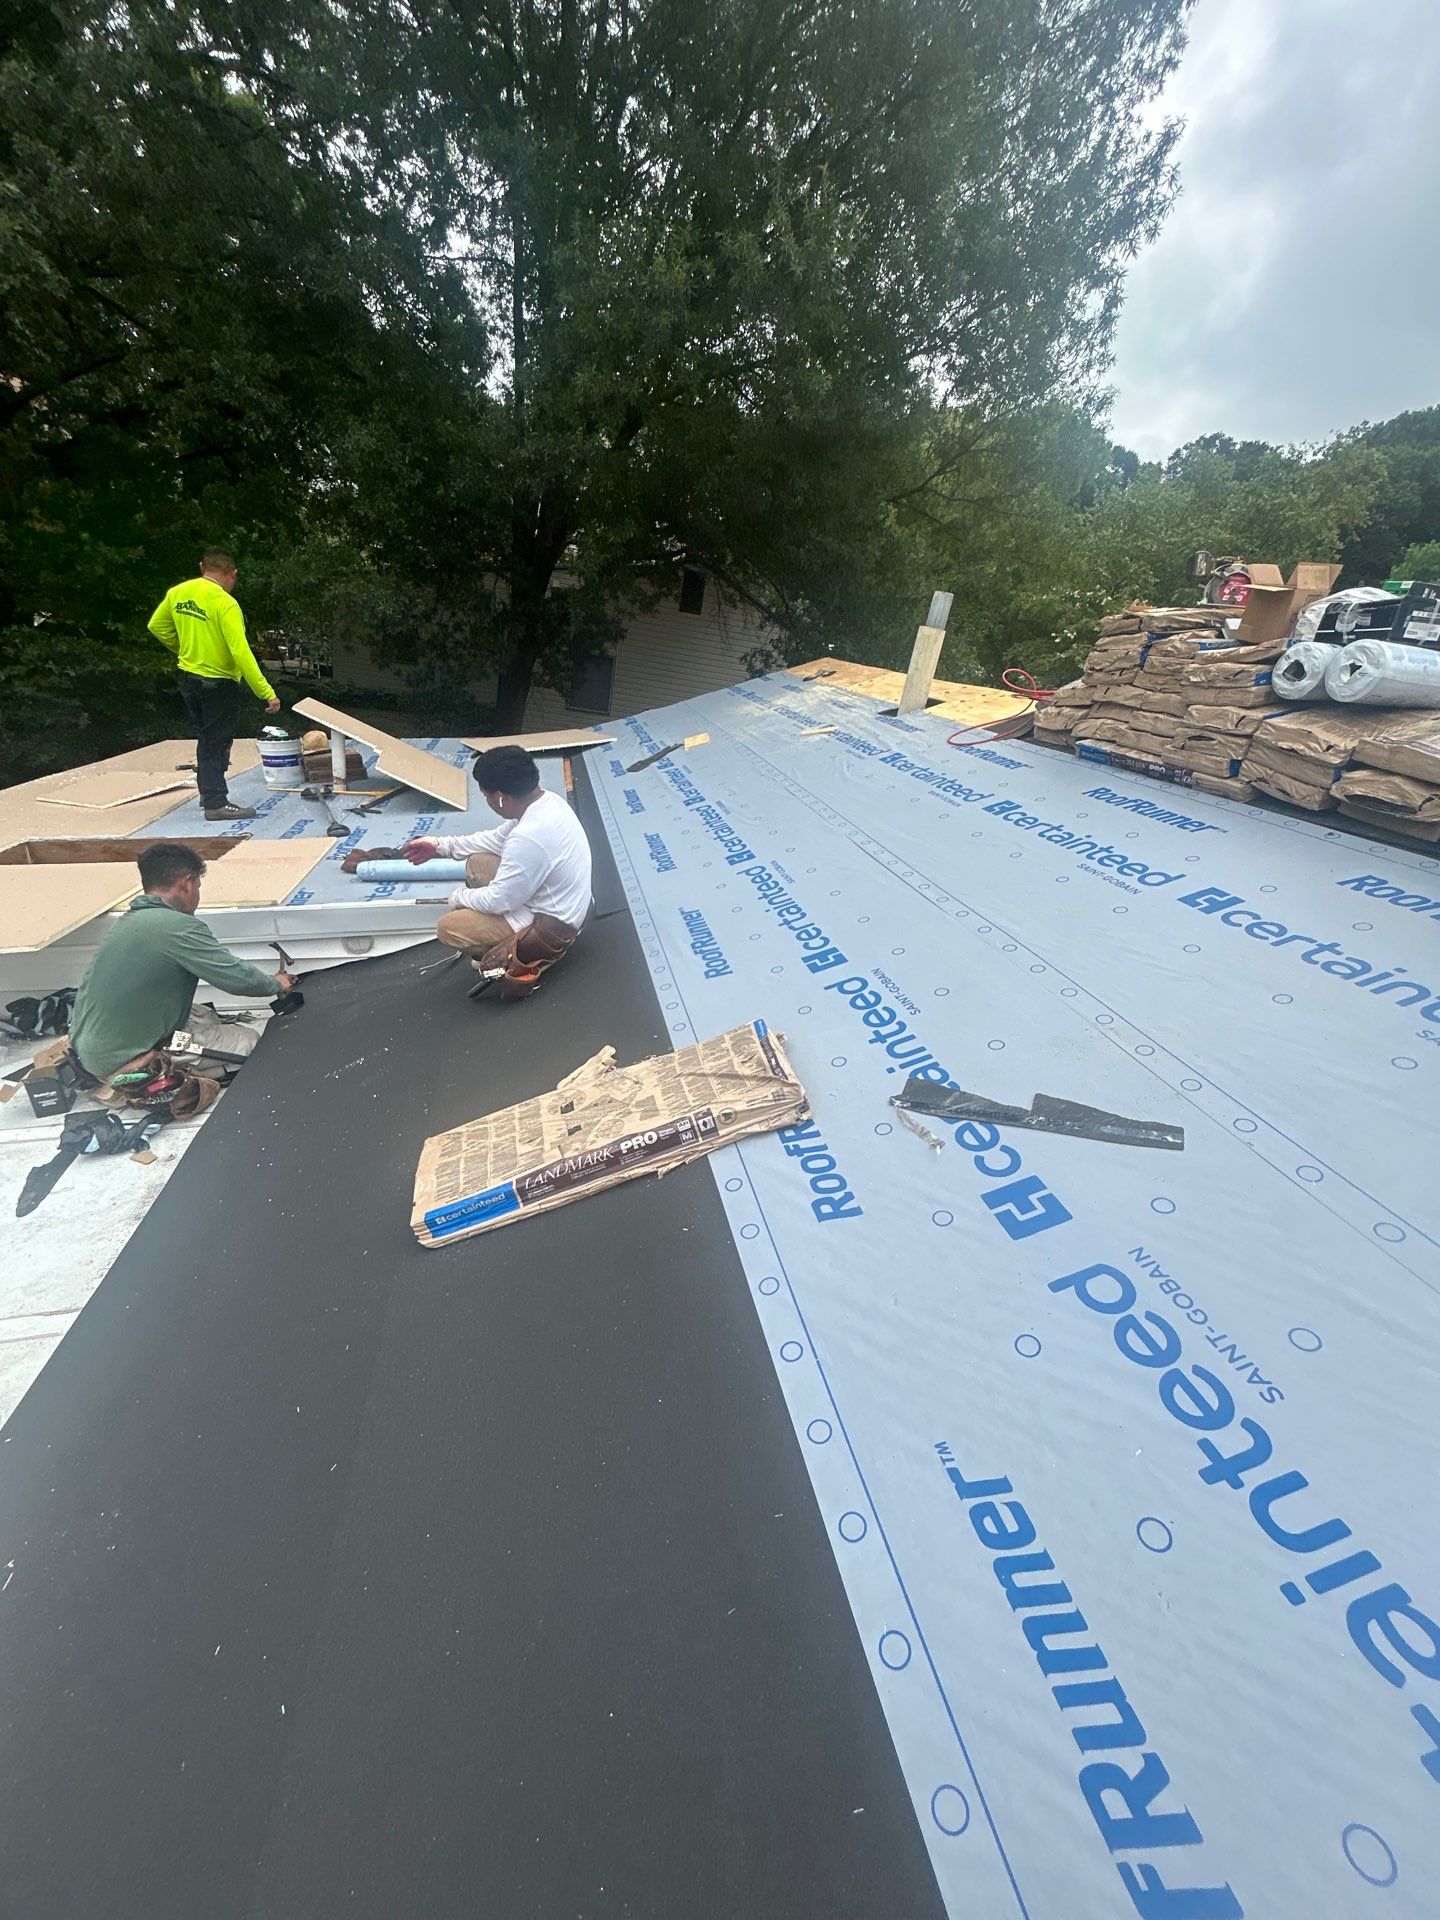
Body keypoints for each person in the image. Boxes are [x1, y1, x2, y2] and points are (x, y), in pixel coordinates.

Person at [67, 842, 295, 1082]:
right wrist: (276, 984)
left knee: (205, 1015)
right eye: (197, 886)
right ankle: (150, 1073)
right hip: (123, 1060)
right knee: (249, 1041)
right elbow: (237, 978)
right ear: (187, 883)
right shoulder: (178, 927)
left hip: (92, 1048)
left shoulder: (130, 921)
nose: (197, 894)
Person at [404, 745, 593, 971]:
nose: (486, 800)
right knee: (478, 863)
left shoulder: (528, 837)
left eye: (485, 796)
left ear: (500, 797)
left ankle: (523, 954)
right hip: (564, 904)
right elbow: (492, 840)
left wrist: (459, 897)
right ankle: (506, 941)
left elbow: (500, 901)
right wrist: (440, 846)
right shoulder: (547, 802)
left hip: (551, 927)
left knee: (449, 927)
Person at [148, 550, 280, 822]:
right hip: (218, 683)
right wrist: (266, 692)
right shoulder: (225, 603)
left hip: (188, 677)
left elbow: (156, 626)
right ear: (233, 574)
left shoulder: (178, 593)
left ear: (202, 568)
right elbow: (240, 651)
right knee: (215, 743)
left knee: (206, 738)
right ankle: (216, 803)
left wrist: (184, 649)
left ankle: (208, 793)